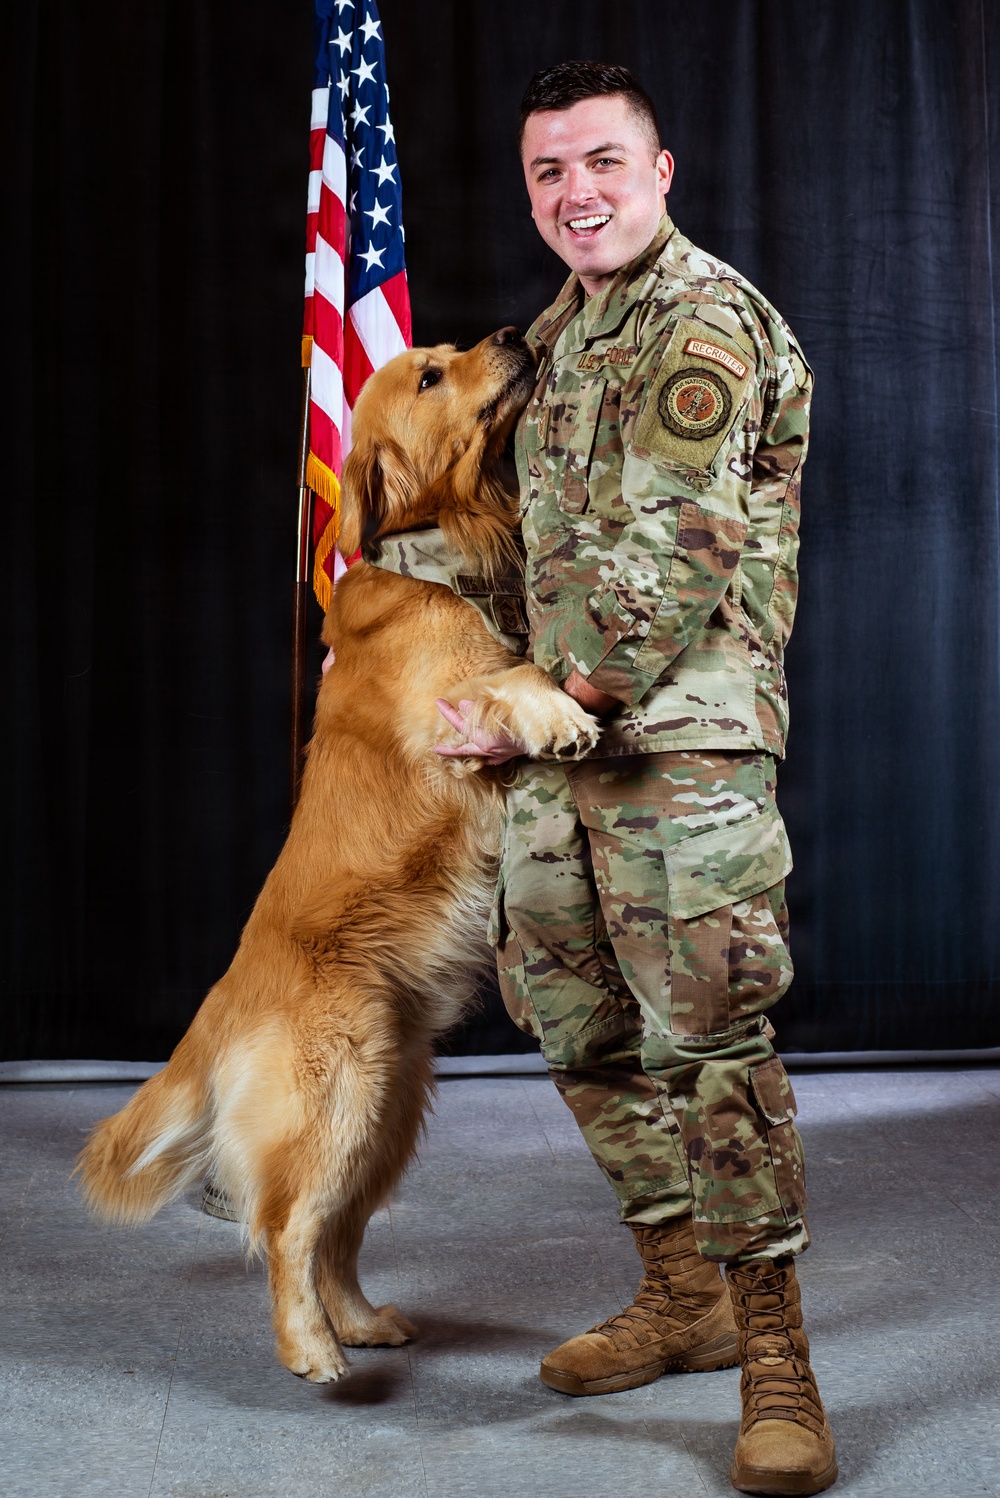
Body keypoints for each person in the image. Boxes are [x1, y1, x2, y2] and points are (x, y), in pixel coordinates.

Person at [437, 61, 835, 1498]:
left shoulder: (703, 322)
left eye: (603, 161)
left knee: (712, 1040)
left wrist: (542, 707)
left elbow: (676, 554)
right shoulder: (561, 335)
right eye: (550, 170)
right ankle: (684, 1290)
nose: (577, 192)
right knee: (573, 1014)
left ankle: (778, 1354)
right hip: (560, 738)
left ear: (660, 172)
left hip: (681, 741)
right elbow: (527, 549)